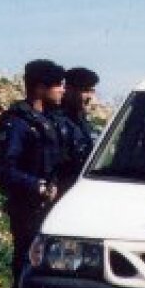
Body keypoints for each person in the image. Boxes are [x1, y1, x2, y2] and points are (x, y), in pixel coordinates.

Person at [0, 59, 66, 288]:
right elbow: (4, 170)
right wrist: (38, 186)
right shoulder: (17, 123)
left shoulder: (48, 120)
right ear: (39, 87)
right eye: (57, 85)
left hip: (49, 208)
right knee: (26, 267)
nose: (62, 90)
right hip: (28, 209)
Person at [50, 66, 99, 196]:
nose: (89, 96)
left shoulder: (83, 121)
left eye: (92, 91)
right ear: (69, 90)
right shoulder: (55, 121)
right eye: (85, 91)